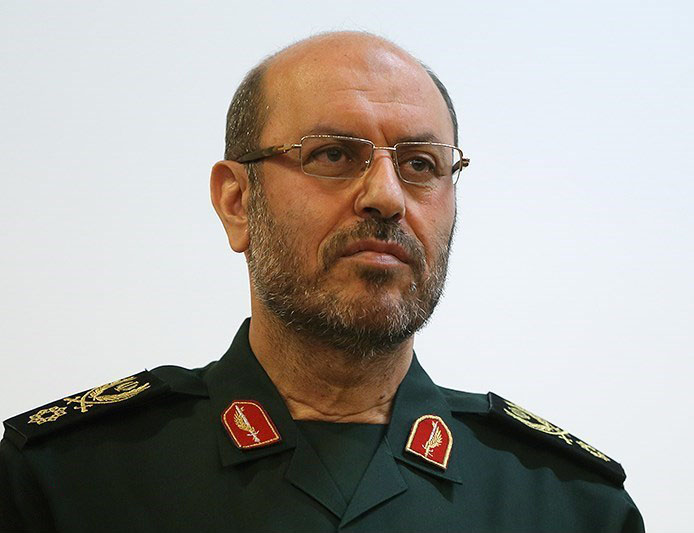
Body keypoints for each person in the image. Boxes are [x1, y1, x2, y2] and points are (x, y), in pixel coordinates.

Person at [0, 32, 643, 532]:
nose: (387, 197)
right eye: (333, 155)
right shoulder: (66, 481)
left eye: (422, 164)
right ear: (237, 202)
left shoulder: (568, 503)